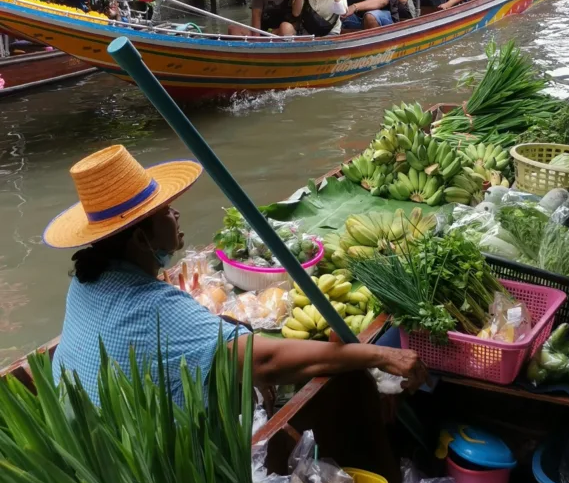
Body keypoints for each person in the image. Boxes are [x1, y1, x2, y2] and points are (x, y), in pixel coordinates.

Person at [46, 145, 427, 408]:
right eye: (165, 211)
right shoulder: (155, 307)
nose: (176, 214)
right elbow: (264, 361)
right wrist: (378, 354)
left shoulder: (84, 281)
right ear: (141, 237)